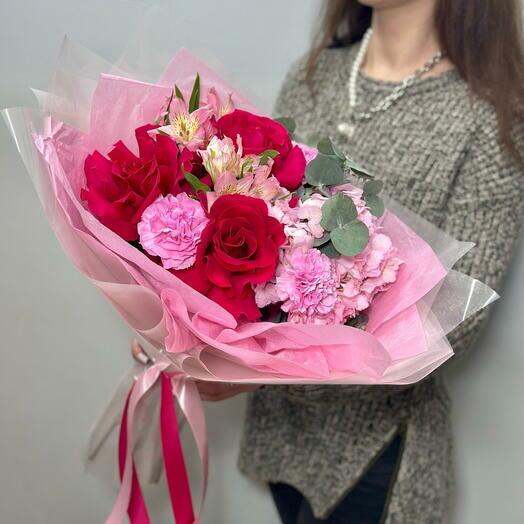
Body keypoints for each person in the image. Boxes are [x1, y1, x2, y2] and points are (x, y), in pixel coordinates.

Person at [132, 0, 524, 522]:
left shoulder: (490, 114)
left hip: (376, 456)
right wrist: (184, 328)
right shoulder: (313, 76)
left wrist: (255, 371)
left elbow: (455, 321)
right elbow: (253, 219)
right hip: (280, 442)